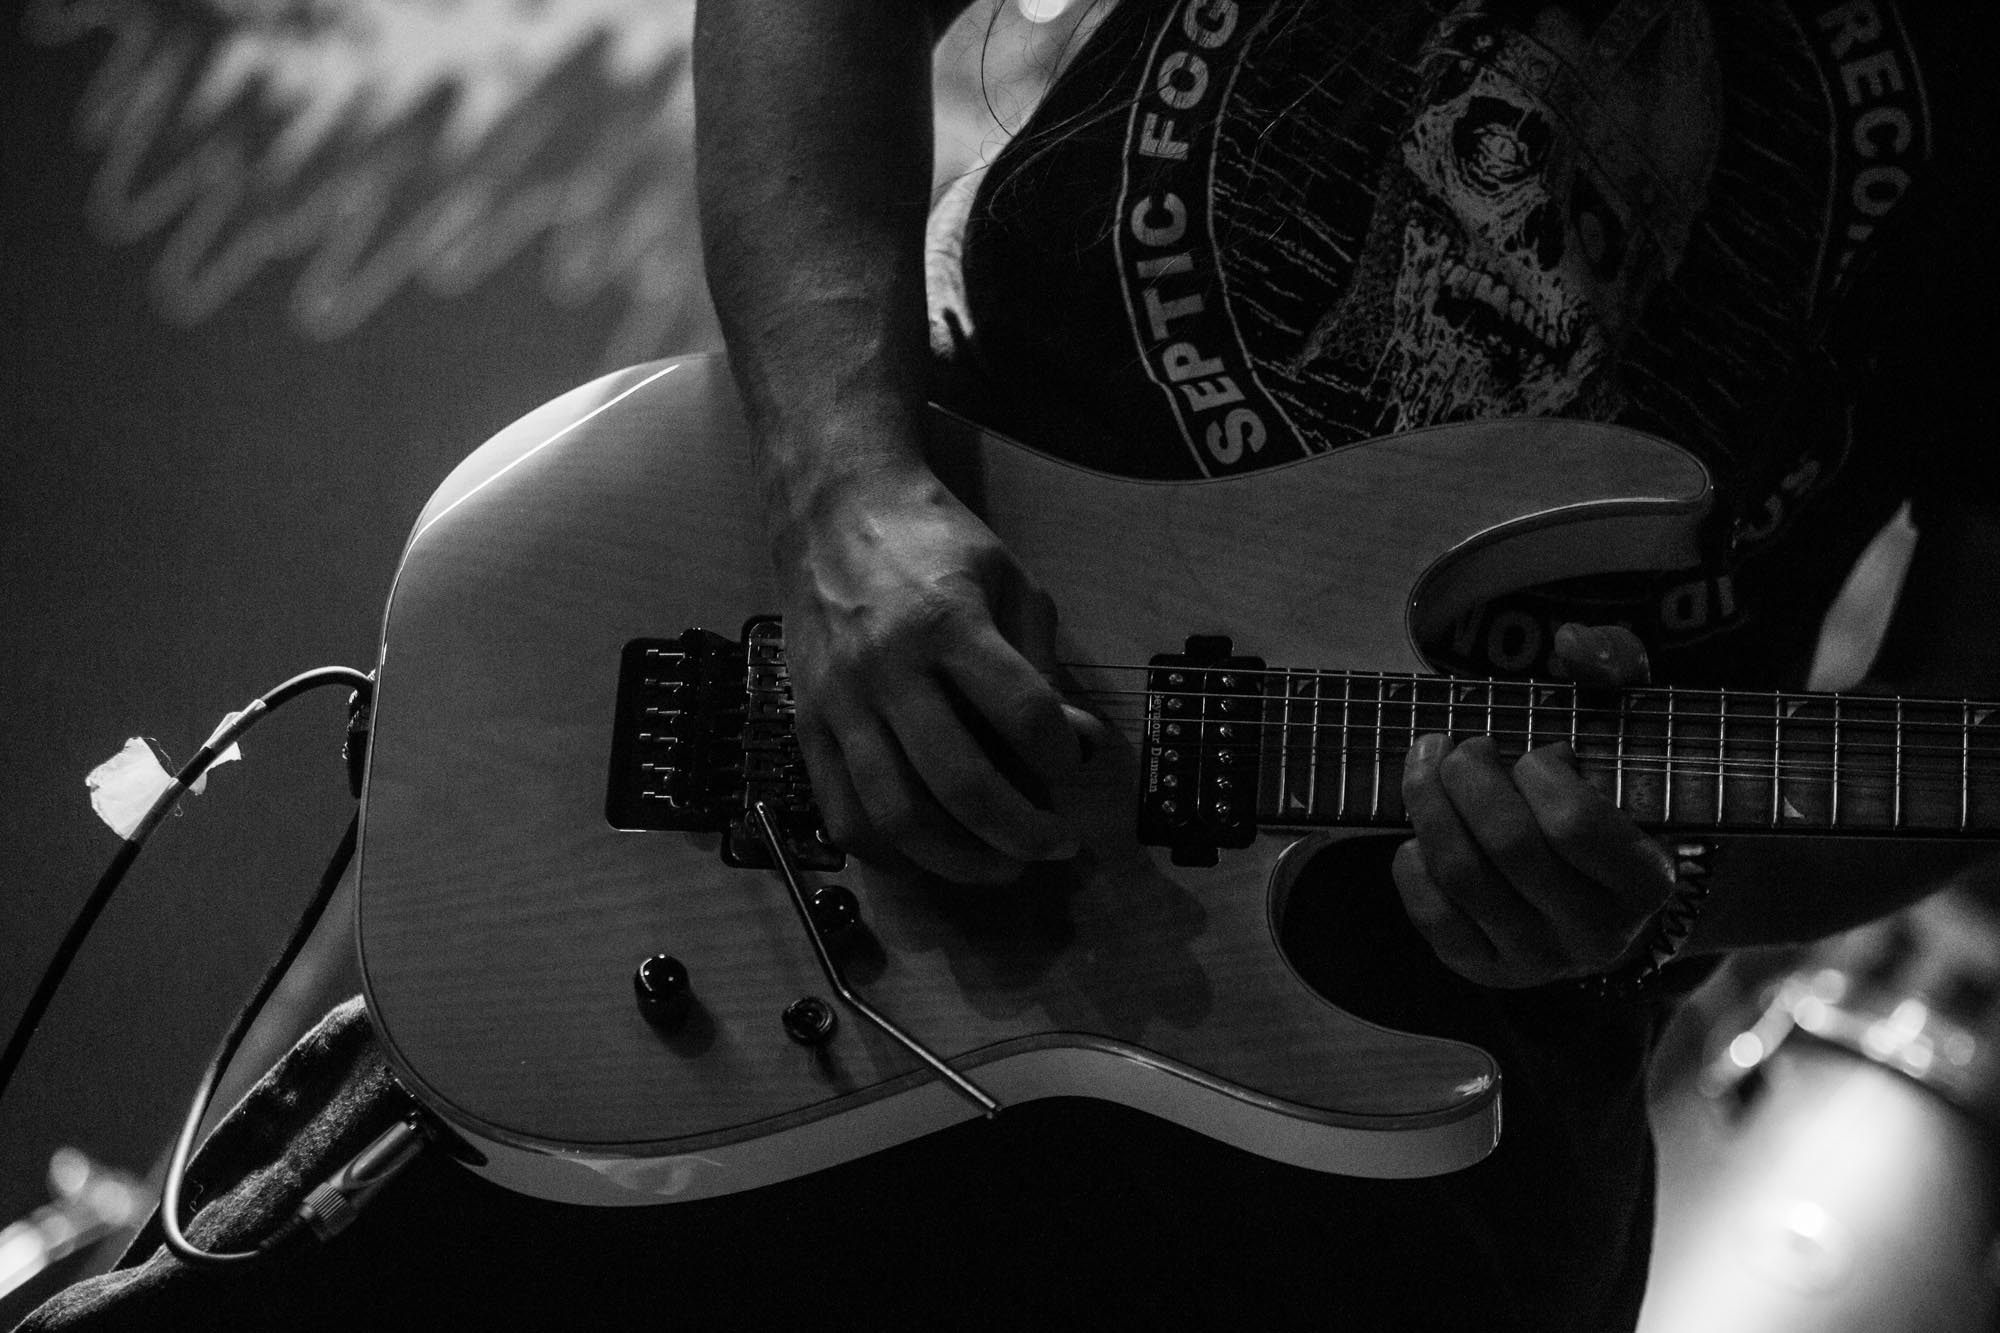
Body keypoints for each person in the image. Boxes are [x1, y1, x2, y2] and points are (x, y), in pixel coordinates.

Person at [17, 1, 1993, 1329]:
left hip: (1412, 1113)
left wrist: (1668, 883)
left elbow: (1960, 721)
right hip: (826, 770)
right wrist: (847, 495)